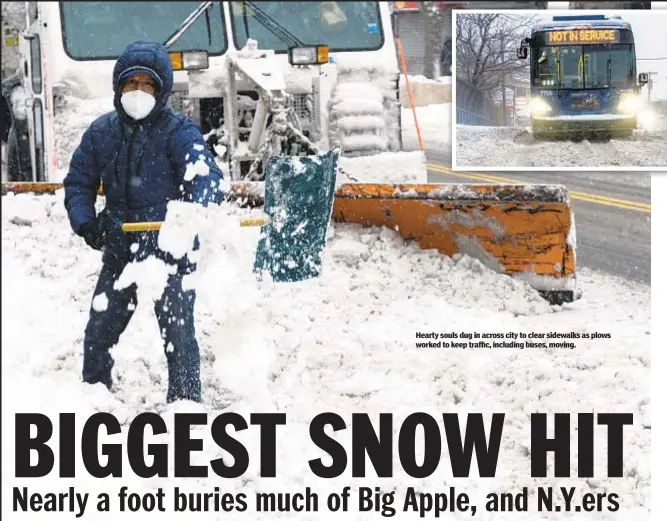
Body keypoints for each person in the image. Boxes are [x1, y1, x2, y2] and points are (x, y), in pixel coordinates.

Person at [63, 41, 224, 403]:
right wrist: (86, 222)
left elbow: (205, 175)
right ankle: (93, 395)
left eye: (147, 84)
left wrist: (199, 207)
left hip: (172, 246)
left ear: (162, 88)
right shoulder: (101, 132)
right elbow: (79, 181)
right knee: (100, 327)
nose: (138, 92)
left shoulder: (179, 132)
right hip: (121, 245)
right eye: (130, 83)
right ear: (118, 88)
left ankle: (184, 403)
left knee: (178, 332)